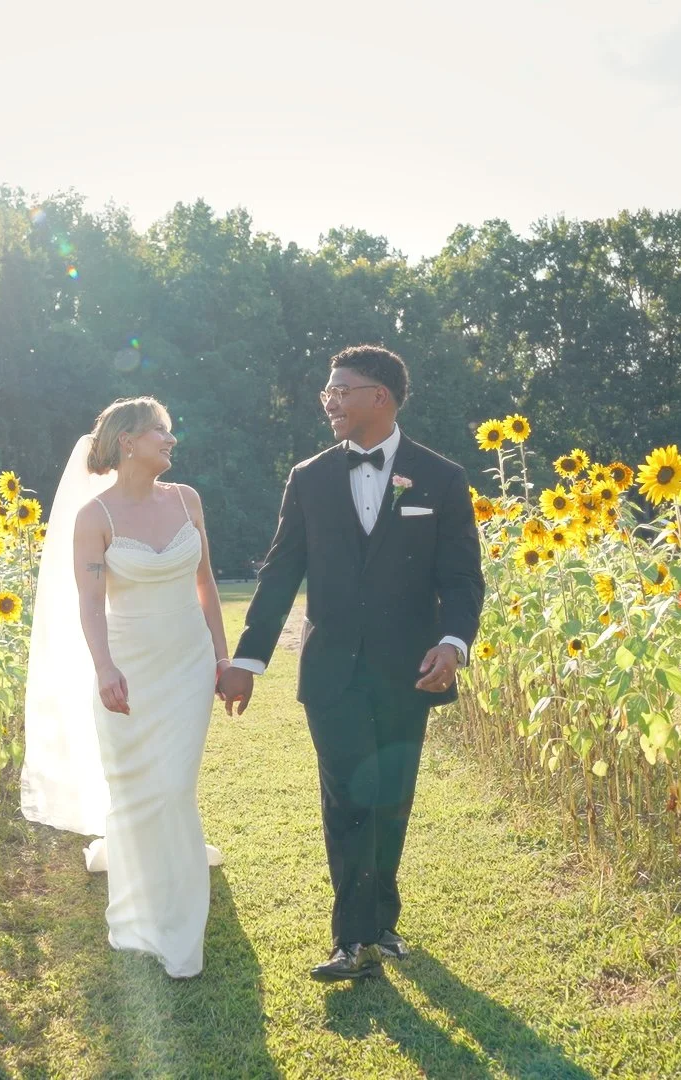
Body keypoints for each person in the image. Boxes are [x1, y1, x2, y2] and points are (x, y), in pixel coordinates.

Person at [217, 345, 486, 982]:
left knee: (392, 797)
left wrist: (453, 644)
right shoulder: (308, 477)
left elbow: (463, 578)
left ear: (380, 397)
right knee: (346, 799)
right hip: (331, 671)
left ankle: (383, 921)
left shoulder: (441, 478)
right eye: (327, 392)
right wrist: (247, 660)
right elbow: (281, 572)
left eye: (341, 390)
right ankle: (349, 938)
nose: (329, 401)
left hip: (408, 669)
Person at [19, 397, 228, 979]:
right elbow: (88, 604)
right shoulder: (96, 518)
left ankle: (179, 920)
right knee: (137, 785)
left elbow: (206, 582)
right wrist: (105, 667)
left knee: (173, 784)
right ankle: (141, 893)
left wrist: (222, 654)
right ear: (130, 440)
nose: (171, 440)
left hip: (186, 664)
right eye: (162, 432)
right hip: (128, 667)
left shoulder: (188, 500)